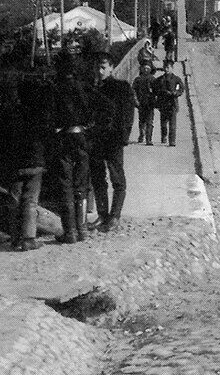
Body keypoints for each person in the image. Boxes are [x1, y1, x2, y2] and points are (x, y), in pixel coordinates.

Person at [90, 54, 137, 232]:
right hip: (97, 139)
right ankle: (102, 215)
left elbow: (128, 114)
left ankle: (115, 216)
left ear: (111, 67)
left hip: (114, 139)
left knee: (117, 177)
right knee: (98, 178)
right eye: (97, 67)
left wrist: (124, 136)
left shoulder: (121, 87)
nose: (100, 71)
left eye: (103, 67)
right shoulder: (94, 88)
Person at [49, 51, 91, 243]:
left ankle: (70, 232)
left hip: (64, 136)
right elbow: (90, 109)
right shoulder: (80, 87)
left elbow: (53, 116)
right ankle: (82, 229)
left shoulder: (56, 88)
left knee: (65, 182)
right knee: (80, 183)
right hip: (80, 135)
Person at [10, 71, 52, 252]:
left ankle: (14, 238)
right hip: (35, 162)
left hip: (16, 162)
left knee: (14, 199)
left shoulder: (12, 113)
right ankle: (28, 239)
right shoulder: (40, 113)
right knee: (30, 201)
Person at [156, 60, 186, 147]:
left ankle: (172, 141)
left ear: (172, 68)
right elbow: (155, 89)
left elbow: (181, 89)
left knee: (172, 124)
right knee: (163, 123)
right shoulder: (160, 79)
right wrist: (161, 92)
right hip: (163, 104)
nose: (166, 69)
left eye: (168, 67)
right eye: (165, 67)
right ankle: (164, 136)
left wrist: (175, 93)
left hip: (172, 103)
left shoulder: (176, 79)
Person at [133, 63, 157, 146]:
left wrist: (155, 100)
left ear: (150, 69)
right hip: (141, 103)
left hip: (150, 103)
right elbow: (133, 91)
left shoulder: (153, 79)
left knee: (150, 122)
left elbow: (157, 91)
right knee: (142, 120)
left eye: (148, 68)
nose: (146, 70)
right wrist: (136, 101)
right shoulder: (138, 79)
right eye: (144, 68)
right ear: (141, 69)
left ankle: (148, 139)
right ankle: (142, 134)